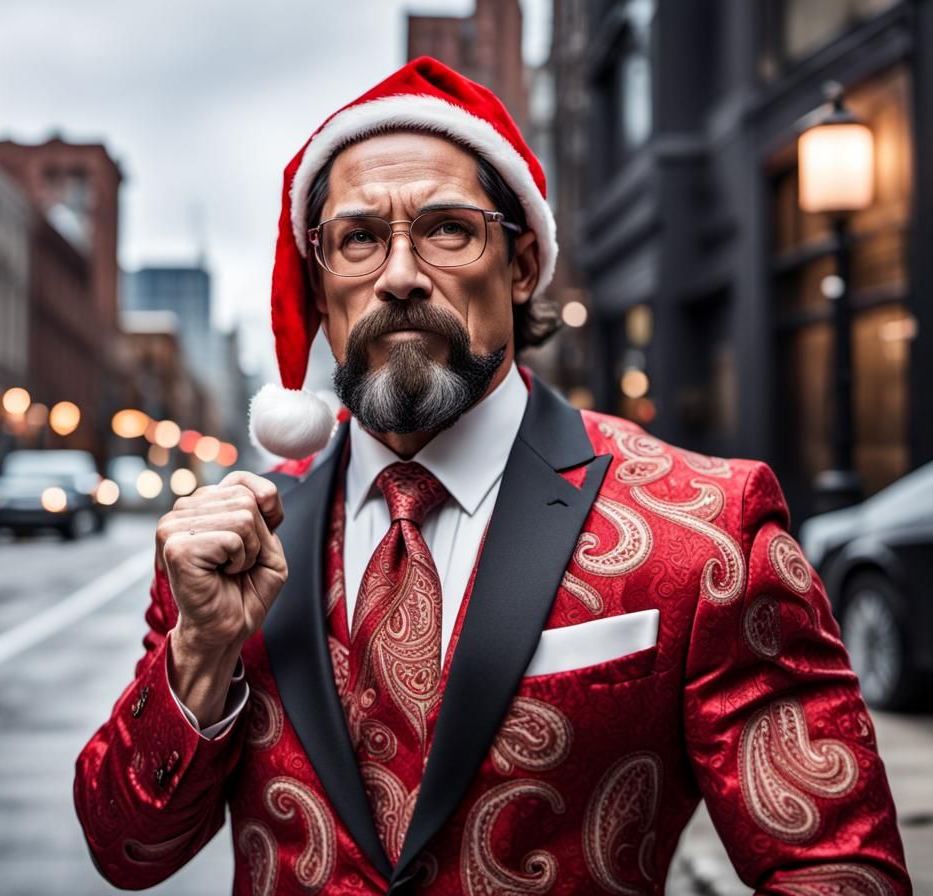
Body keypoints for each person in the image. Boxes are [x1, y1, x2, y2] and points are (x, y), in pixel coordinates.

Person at [74, 57, 910, 894]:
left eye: (446, 228)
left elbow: (834, 868)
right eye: (359, 239)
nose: (398, 275)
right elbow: (128, 849)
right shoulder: (238, 543)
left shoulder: (705, 527)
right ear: (320, 286)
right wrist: (199, 650)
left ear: (518, 267)